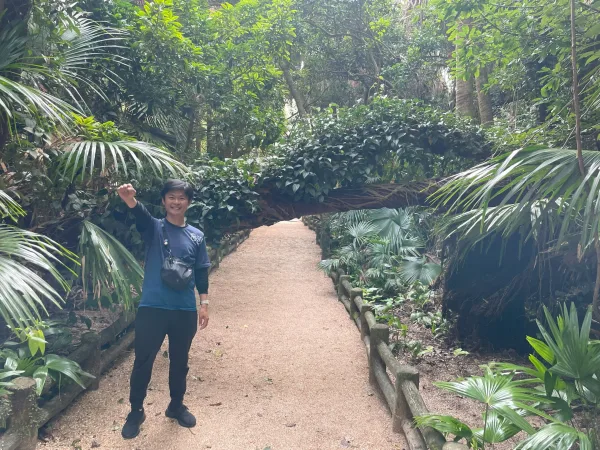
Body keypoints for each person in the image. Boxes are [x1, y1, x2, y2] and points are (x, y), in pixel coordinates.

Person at [116, 179, 210, 439]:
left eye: (181, 197)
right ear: (163, 201)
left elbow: (202, 271)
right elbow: (142, 217)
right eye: (171, 197)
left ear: (188, 202)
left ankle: (176, 405)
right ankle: (136, 411)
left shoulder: (196, 235)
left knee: (180, 362)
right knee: (143, 361)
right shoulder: (155, 229)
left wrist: (204, 304)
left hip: (183, 310)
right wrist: (130, 200)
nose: (176, 202)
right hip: (152, 307)